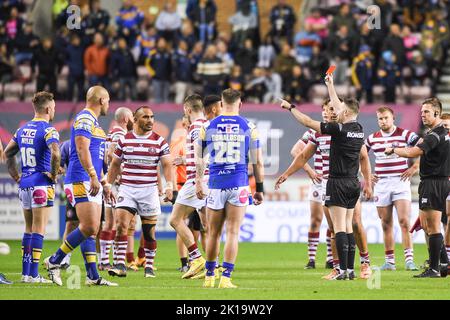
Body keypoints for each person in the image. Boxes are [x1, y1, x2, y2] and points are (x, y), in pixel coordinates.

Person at [277, 73, 371, 280]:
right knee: (348, 228)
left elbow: (308, 121)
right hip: (353, 182)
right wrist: (330, 85)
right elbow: (339, 105)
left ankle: (343, 270)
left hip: (336, 182)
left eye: (339, 110)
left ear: (345, 112)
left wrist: (291, 107)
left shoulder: (337, 130)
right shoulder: (358, 129)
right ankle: (350, 270)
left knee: (338, 229)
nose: (335, 111)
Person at [44, 86, 117, 287]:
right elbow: (81, 147)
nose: (109, 104)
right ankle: (54, 260)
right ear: (101, 100)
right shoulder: (85, 118)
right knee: (90, 226)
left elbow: (96, 157)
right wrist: (93, 176)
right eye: (108, 100)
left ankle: (92, 276)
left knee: (91, 230)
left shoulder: (95, 124)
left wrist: (104, 183)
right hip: (80, 179)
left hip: (91, 180)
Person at [197, 89, 264, 288]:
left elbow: (199, 158)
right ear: (240, 104)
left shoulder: (208, 126)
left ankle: (209, 277)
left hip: (216, 184)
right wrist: (259, 189)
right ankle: (226, 278)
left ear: (222, 104)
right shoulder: (249, 127)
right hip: (239, 183)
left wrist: (199, 181)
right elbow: (258, 161)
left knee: (213, 233)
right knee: (233, 232)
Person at [384, 98, 449, 278]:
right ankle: (444, 264)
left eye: (426, 112)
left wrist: (394, 149)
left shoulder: (434, 135)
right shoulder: (440, 133)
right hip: (436, 182)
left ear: (436, 113)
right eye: (421, 113)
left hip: (433, 182)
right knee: (428, 226)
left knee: (433, 226)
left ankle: (435, 269)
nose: (423, 115)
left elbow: (413, 152)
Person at [105, 106, 173, 278]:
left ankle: (149, 267)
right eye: (145, 117)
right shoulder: (124, 140)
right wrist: (108, 185)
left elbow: (166, 164)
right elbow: (115, 164)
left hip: (148, 191)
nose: (150, 120)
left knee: (148, 232)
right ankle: (120, 265)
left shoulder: (160, 141)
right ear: (134, 120)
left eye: (152, 117)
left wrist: (169, 185)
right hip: (127, 189)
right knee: (121, 226)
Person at [4, 92, 60, 284]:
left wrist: (16, 176)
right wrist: (53, 175)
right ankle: (34, 275)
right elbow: (55, 152)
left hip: (25, 183)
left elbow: (7, 153)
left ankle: (26, 273)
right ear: (47, 109)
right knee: (39, 229)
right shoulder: (49, 130)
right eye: (53, 108)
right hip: (41, 184)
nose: (54, 111)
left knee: (28, 229)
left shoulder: (22, 130)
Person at [365, 107, 420, 271]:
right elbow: (359, 155)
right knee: (386, 223)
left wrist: (414, 167)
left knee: (404, 221)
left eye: (385, 118)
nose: (383, 121)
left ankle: (409, 260)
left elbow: (426, 147)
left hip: (400, 182)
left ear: (393, 118)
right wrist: (366, 175)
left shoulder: (405, 134)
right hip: (381, 184)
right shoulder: (372, 139)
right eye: (380, 119)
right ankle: (389, 262)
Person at [169, 95, 210, 279]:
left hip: (196, 179)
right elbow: (205, 154)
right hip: (208, 178)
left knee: (175, 219)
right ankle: (211, 266)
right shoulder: (208, 125)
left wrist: (199, 180)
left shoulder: (195, 128)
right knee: (207, 226)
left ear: (187, 109)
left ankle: (196, 258)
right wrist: (185, 160)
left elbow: (201, 156)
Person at [98, 107, 134, 271]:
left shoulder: (111, 133)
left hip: (109, 181)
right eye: (132, 116)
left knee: (110, 222)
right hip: (116, 184)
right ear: (126, 119)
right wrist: (120, 173)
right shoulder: (120, 134)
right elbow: (112, 155)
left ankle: (105, 261)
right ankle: (109, 261)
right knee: (116, 223)